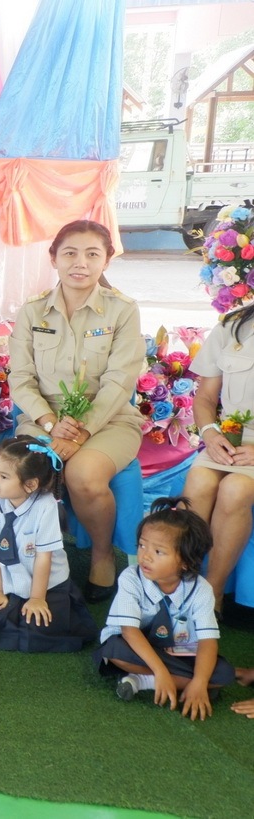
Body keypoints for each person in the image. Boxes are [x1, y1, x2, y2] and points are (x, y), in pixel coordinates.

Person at [8, 220, 143, 603]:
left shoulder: (121, 311)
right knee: (23, 471)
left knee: (83, 473)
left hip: (109, 422)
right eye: (69, 253)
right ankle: (26, 558)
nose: (80, 262)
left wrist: (81, 432)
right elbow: (21, 379)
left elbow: (119, 382)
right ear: (53, 258)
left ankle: (102, 555)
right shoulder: (33, 311)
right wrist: (52, 425)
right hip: (43, 420)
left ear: (106, 261)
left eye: (92, 254)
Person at [93, 498, 235, 720]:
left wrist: (199, 682)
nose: (145, 556)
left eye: (158, 551)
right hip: (136, 646)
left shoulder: (200, 589)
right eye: (142, 545)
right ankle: (170, 680)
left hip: (178, 650)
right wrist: (160, 670)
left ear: (185, 562)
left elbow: (207, 641)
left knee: (224, 673)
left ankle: (142, 680)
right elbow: (129, 631)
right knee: (113, 650)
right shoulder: (131, 577)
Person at [0, 435, 97, 652]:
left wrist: (37, 598)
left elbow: (44, 557)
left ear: (30, 484)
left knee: (39, 628)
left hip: (45, 583)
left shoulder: (46, 506)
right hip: (6, 577)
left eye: (3, 476)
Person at [182, 301, 254, 616]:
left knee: (235, 489)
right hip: (227, 439)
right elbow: (206, 397)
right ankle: (183, 582)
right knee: (198, 482)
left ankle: (213, 592)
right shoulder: (234, 324)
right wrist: (210, 434)